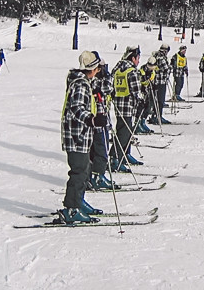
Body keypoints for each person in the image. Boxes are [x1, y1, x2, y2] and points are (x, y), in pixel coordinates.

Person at [58, 51, 107, 224]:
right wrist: (91, 119)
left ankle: (79, 202)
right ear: (92, 69)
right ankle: (71, 209)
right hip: (77, 135)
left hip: (82, 135)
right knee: (79, 172)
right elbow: (76, 107)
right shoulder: (80, 84)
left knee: (85, 169)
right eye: (97, 68)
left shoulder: (85, 83)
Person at [112, 46, 148, 174]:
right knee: (124, 133)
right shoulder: (131, 71)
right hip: (128, 105)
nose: (138, 61)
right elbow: (135, 90)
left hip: (118, 104)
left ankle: (124, 154)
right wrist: (141, 101)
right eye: (138, 59)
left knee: (123, 130)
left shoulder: (117, 67)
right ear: (133, 58)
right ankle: (115, 158)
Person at [87, 51, 120, 189]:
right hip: (95, 121)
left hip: (100, 118)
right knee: (100, 150)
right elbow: (105, 88)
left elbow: (109, 90)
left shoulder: (100, 79)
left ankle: (94, 175)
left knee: (99, 149)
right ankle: (96, 176)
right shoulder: (91, 80)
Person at [148, 43, 171, 125]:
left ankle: (155, 115)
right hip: (160, 81)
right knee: (160, 100)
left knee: (155, 99)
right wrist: (169, 69)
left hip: (154, 81)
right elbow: (166, 68)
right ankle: (158, 116)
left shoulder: (155, 56)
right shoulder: (161, 57)